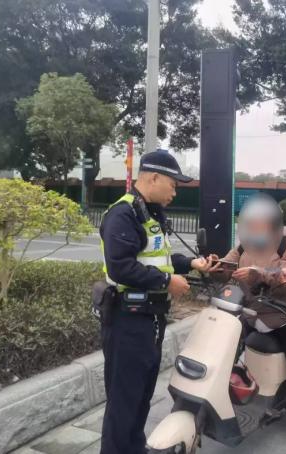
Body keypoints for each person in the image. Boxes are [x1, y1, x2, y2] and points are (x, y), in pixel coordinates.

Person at [99, 149, 215, 454]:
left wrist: (190, 264)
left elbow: (158, 259)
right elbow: (120, 267)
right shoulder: (123, 214)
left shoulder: (149, 213)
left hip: (149, 319)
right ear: (153, 177)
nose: (175, 192)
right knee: (123, 403)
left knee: (140, 398)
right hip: (127, 320)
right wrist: (166, 282)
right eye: (173, 184)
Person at [212, 194, 286, 454]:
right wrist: (215, 266)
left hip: (285, 317)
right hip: (252, 314)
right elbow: (228, 267)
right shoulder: (243, 247)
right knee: (224, 356)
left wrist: (257, 274)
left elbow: (285, 279)